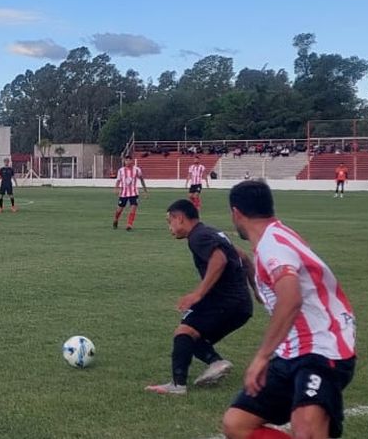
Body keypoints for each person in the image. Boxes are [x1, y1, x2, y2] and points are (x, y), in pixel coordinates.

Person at [222, 181, 356, 439]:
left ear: (236, 213)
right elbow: (276, 294)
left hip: (323, 347)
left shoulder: (273, 244)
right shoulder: (274, 237)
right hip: (292, 352)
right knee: (236, 423)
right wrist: (249, 268)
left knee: (305, 428)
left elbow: (291, 298)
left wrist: (262, 356)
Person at [146, 199, 255, 395]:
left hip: (224, 301)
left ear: (179, 218)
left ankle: (178, 385)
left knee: (184, 332)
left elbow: (219, 260)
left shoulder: (198, 236)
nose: (169, 227)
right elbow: (245, 257)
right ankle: (215, 363)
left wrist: (198, 293)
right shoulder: (212, 232)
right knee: (192, 335)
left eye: (169, 221)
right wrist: (256, 291)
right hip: (242, 306)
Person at [113, 155, 148, 231]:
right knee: (119, 210)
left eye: (129, 160)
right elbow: (118, 180)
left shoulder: (137, 170)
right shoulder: (121, 170)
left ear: (132, 161)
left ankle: (129, 224)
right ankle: (116, 219)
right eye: (126, 160)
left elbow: (141, 180)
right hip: (123, 193)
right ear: (124, 161)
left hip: (134, 193)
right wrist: (116, 188)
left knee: (133, 208)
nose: (128, 162)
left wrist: (145, 191)